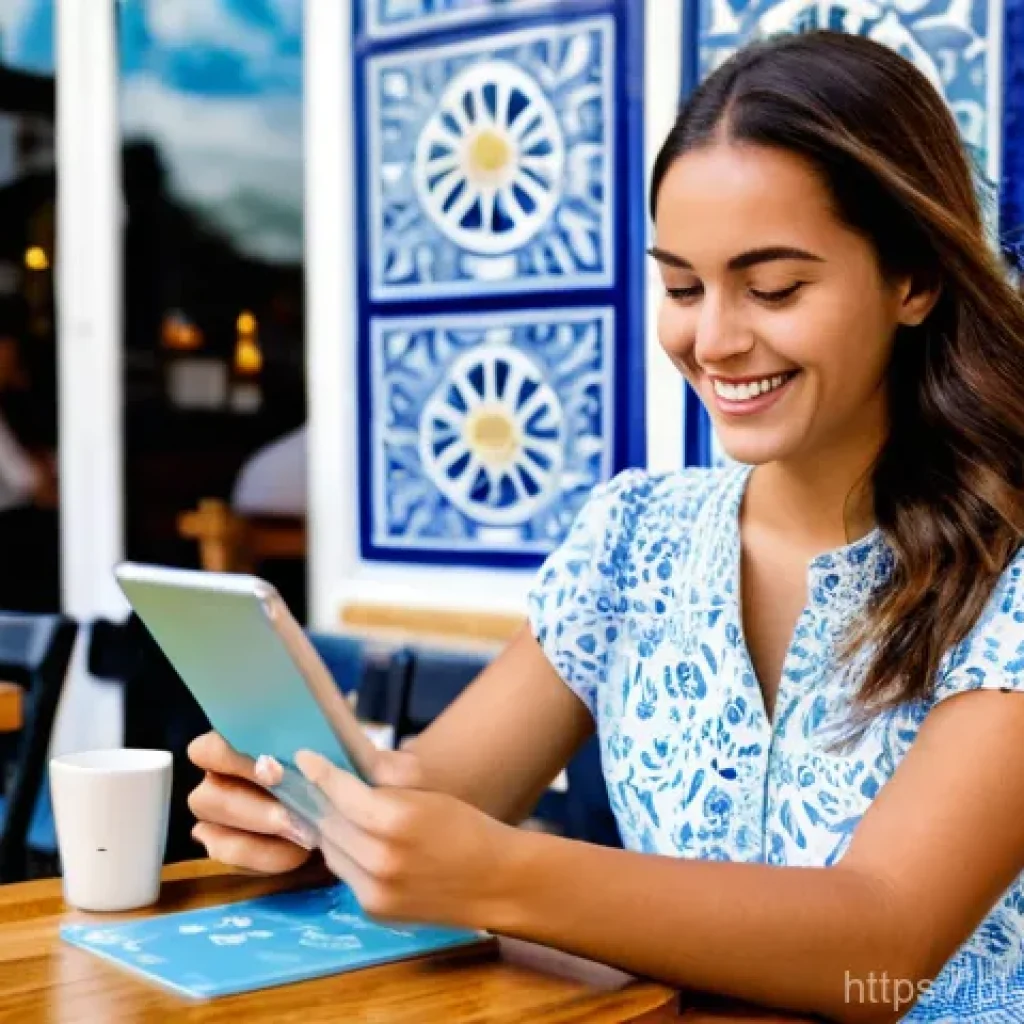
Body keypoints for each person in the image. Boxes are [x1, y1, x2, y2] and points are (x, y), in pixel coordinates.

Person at [187, 32, 1024, 1021]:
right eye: (680, 286)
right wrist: (315, 805)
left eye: (774, 288)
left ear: (913, 281)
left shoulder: (1006, 567)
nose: (711, 339)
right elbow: (439, 793)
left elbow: (880, 946)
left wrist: (502, 873)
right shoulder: (635, 536)